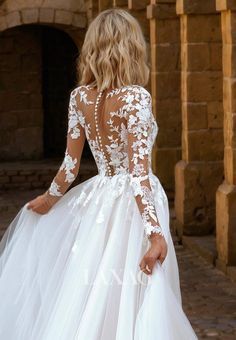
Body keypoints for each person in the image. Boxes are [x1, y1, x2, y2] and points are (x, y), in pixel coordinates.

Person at [0, 8, 198, 340]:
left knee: (96, 288)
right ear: (131, 47)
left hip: (97, 202)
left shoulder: (80, 97)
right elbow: (137, 173)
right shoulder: (135, 98)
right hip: (131, 208)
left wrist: (50, 198)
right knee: (132, 289)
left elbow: (70, 166)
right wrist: (155, 234)